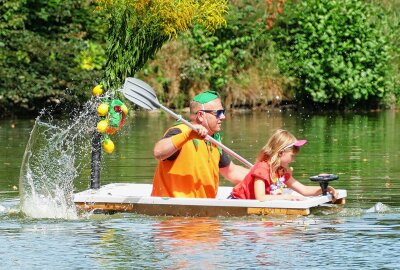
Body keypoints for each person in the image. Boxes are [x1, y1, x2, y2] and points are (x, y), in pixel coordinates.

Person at [151, 90, 249, 198]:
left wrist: (262, 177)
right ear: (201, 115)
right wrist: (188, 135)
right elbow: (158, 152)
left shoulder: (213, 140)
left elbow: (231, 171)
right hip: (173, 210)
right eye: (218, 113)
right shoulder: (180, 132)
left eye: (223, 112)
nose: (223, 117)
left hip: (203, 211)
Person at [230, 129, 339, 201]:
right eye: (292, 156)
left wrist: (326, 189)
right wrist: (286, 197)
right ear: (281, 153)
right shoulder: (261, 169)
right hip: (237, 202)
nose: (293, 160)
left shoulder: (281, 171)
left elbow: (304, 190)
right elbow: (260, 197)